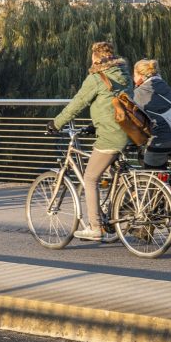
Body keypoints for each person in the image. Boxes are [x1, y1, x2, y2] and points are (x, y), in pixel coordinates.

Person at [47, 42, 133, 241]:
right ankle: (125, 208)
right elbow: (114, 103)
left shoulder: (97, 78)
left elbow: (77, 104)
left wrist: (56, 123)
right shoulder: (124, 75)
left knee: (90, 178)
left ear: (96, 59)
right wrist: (96, 124)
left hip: (111, 135)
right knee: (115, 174)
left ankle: (95, 227)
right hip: (128, 131)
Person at [132, 59, 171, 169]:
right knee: (162, 174)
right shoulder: (164, 86)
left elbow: (132, 117)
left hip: (160, 139)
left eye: (133, 75)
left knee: (149, 174)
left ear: (139, 75)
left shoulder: (140, 92)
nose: (133, 79)